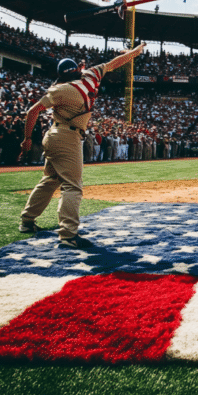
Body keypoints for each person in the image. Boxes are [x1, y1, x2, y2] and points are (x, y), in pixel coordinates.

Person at [18, 43, 146, 248]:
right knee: (72, 185)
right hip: (67, 138)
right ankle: (68, 234)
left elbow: (33, 111)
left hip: (54, 134)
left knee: (50, 180)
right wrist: (134, 52)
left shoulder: (60, 89)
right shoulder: (91, 74)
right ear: (78, 69)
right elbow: (114, 63)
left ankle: (27, 221)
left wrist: (27, 138)